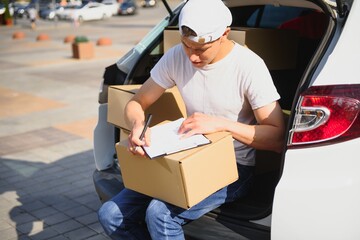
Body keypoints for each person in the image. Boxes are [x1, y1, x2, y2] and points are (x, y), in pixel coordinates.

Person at [98, 0, 285, 239]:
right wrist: (137, 125)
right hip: (185, 155)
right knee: (111, 215)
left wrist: (221, 124)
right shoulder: (177, 56)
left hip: (234, 166)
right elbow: (137, 102)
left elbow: (277, 136)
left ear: (224, 34)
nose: (192, 58)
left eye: (200, 49)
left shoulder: (249, 66)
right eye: (187, 46)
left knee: (159, 214)